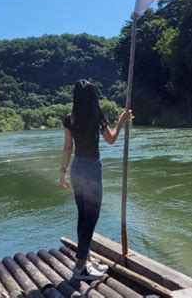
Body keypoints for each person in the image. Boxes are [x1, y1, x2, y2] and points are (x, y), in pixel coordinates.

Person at [59, 79, 134, 281]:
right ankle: (80, 268)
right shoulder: (96, 116)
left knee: (83, 217)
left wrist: (62, 172)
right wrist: (121, 121)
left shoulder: (69, 118)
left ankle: (86, 259)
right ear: (93, 96)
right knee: (91, 219)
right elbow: (110, 140)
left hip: (76, 169)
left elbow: (68, 148)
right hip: (92, 170)